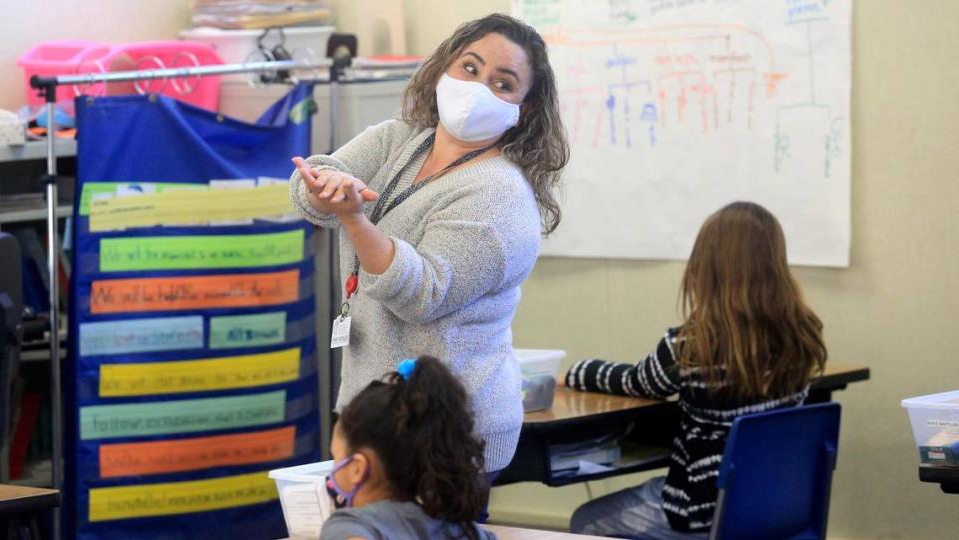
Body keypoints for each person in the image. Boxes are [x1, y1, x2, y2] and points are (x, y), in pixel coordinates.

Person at [289, 13, 568, 489]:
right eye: (470, 68)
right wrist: (322, 189)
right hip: (369, 411)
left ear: (524, 108)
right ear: (443, 68)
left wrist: (354, 217)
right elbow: (312, 183)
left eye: (503, 83)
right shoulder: (402, 138)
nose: (479, 88)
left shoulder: (498, 194)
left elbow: (421, 293)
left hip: (446, 430)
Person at [566, 202, 828, 539]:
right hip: (775, 503)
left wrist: (577, 372)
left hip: (703, 510)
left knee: (585, 522)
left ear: (705, 269)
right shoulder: (801, 336)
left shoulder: (690, 346)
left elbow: (637, 381)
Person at [320, 356, 497, 540]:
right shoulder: (463, 528)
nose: (333, 470)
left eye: (336, 458)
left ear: (357, 467)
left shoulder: (350, 525)